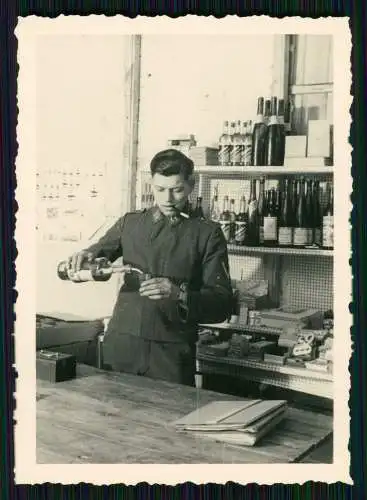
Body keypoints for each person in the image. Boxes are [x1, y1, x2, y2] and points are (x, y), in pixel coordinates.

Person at [67, 149, 233, 386]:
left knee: (167, 419)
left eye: (177, 190)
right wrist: (87, 255)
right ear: (151, 184)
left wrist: (179, 294)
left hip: (170, 354)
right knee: (113, 417)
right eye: (160, 190)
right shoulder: (131, 223)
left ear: (191, 185)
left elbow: (222, 304)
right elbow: (98, 252)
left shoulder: (207, 234)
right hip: (121, 345)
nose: (168, 199)